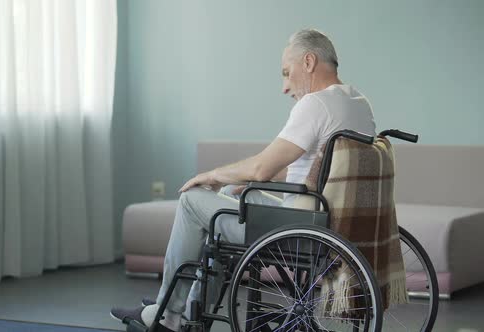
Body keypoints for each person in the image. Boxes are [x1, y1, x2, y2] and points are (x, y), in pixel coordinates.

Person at [111, 28, 376, 332]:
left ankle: (169, 315)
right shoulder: (357, 103)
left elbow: (262, 168)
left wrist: (209, 174)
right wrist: (242, 182)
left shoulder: (316, 105)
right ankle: (188, 310)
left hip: (299, 230)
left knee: (191, 200)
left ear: (309, 62)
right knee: (228, 194)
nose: (284, 87)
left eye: (286, 74)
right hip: (330, 223)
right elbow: (301, 167)